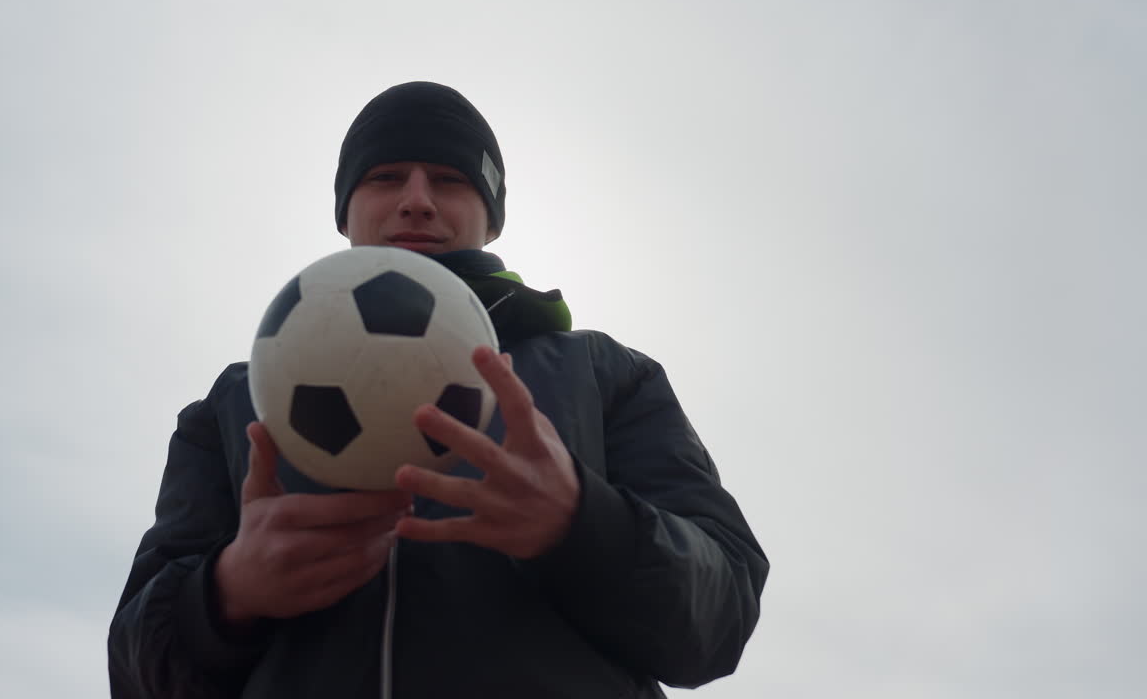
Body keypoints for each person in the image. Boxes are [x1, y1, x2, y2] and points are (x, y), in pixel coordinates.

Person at [108, 81, 769, 698]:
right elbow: (134, 670)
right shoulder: (235, 405)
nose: (417, 199)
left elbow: (722, 615)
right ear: (346, 211)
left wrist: (581, 524)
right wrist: (225, 597)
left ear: (491, 214)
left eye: (450, 180)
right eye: (385, 177)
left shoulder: (607, 376)